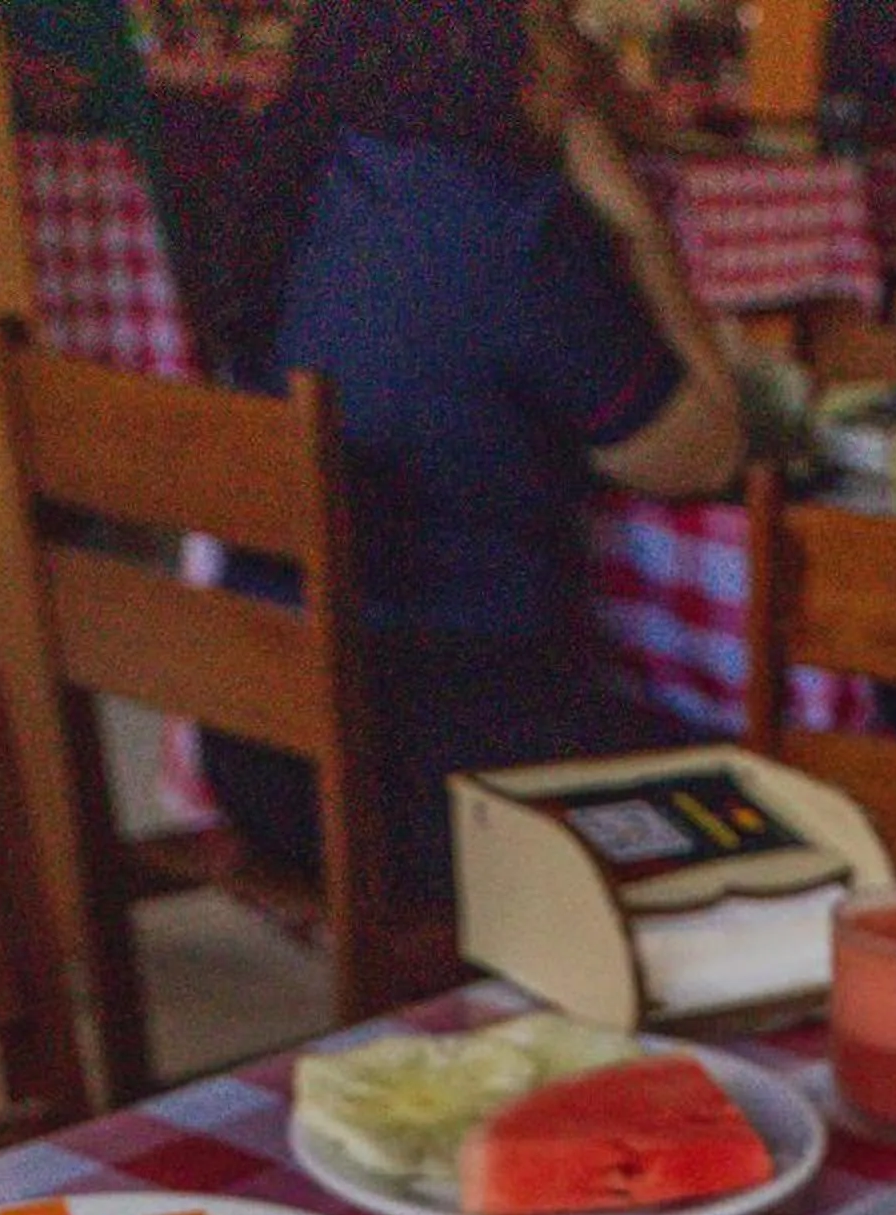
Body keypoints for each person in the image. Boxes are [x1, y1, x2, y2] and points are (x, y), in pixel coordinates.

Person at [200, 0, 745, 901]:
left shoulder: (292, 177)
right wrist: (635, 223)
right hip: (435, 786)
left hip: (259, 748)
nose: (579, 54)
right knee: (758, 800)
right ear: (493, 46)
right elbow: (703, 451)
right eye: (556, 23)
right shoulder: (509, 228)